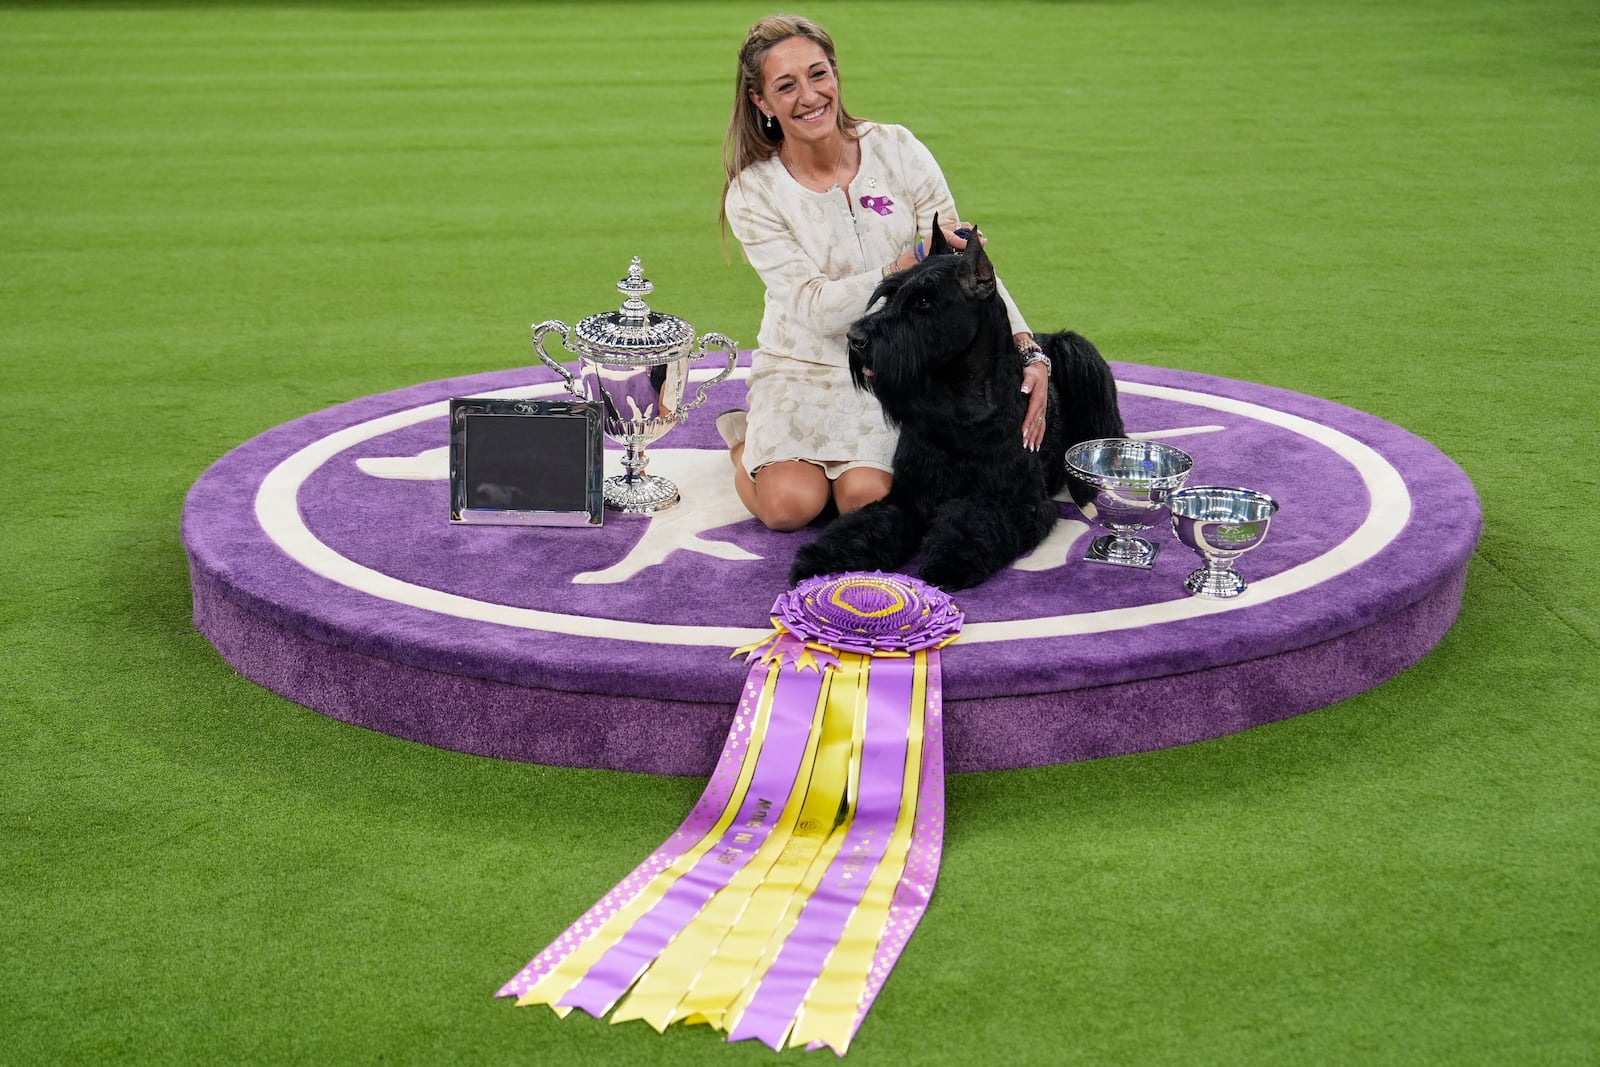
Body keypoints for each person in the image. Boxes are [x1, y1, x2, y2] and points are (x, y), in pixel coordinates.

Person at [717, 13, 1052, 532]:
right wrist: (906, 264)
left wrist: (1027, 348)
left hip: (895, 365)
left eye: (818, 74)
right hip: (798, 363)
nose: (809, 96)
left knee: (867, 501)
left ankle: (809, 463)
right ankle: (744, 444)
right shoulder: (752, 191)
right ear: (762, 101)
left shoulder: (897, 148)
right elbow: (813, 306)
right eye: (787, 85)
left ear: (835, 73)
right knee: (790, 508)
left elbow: (967, 269)